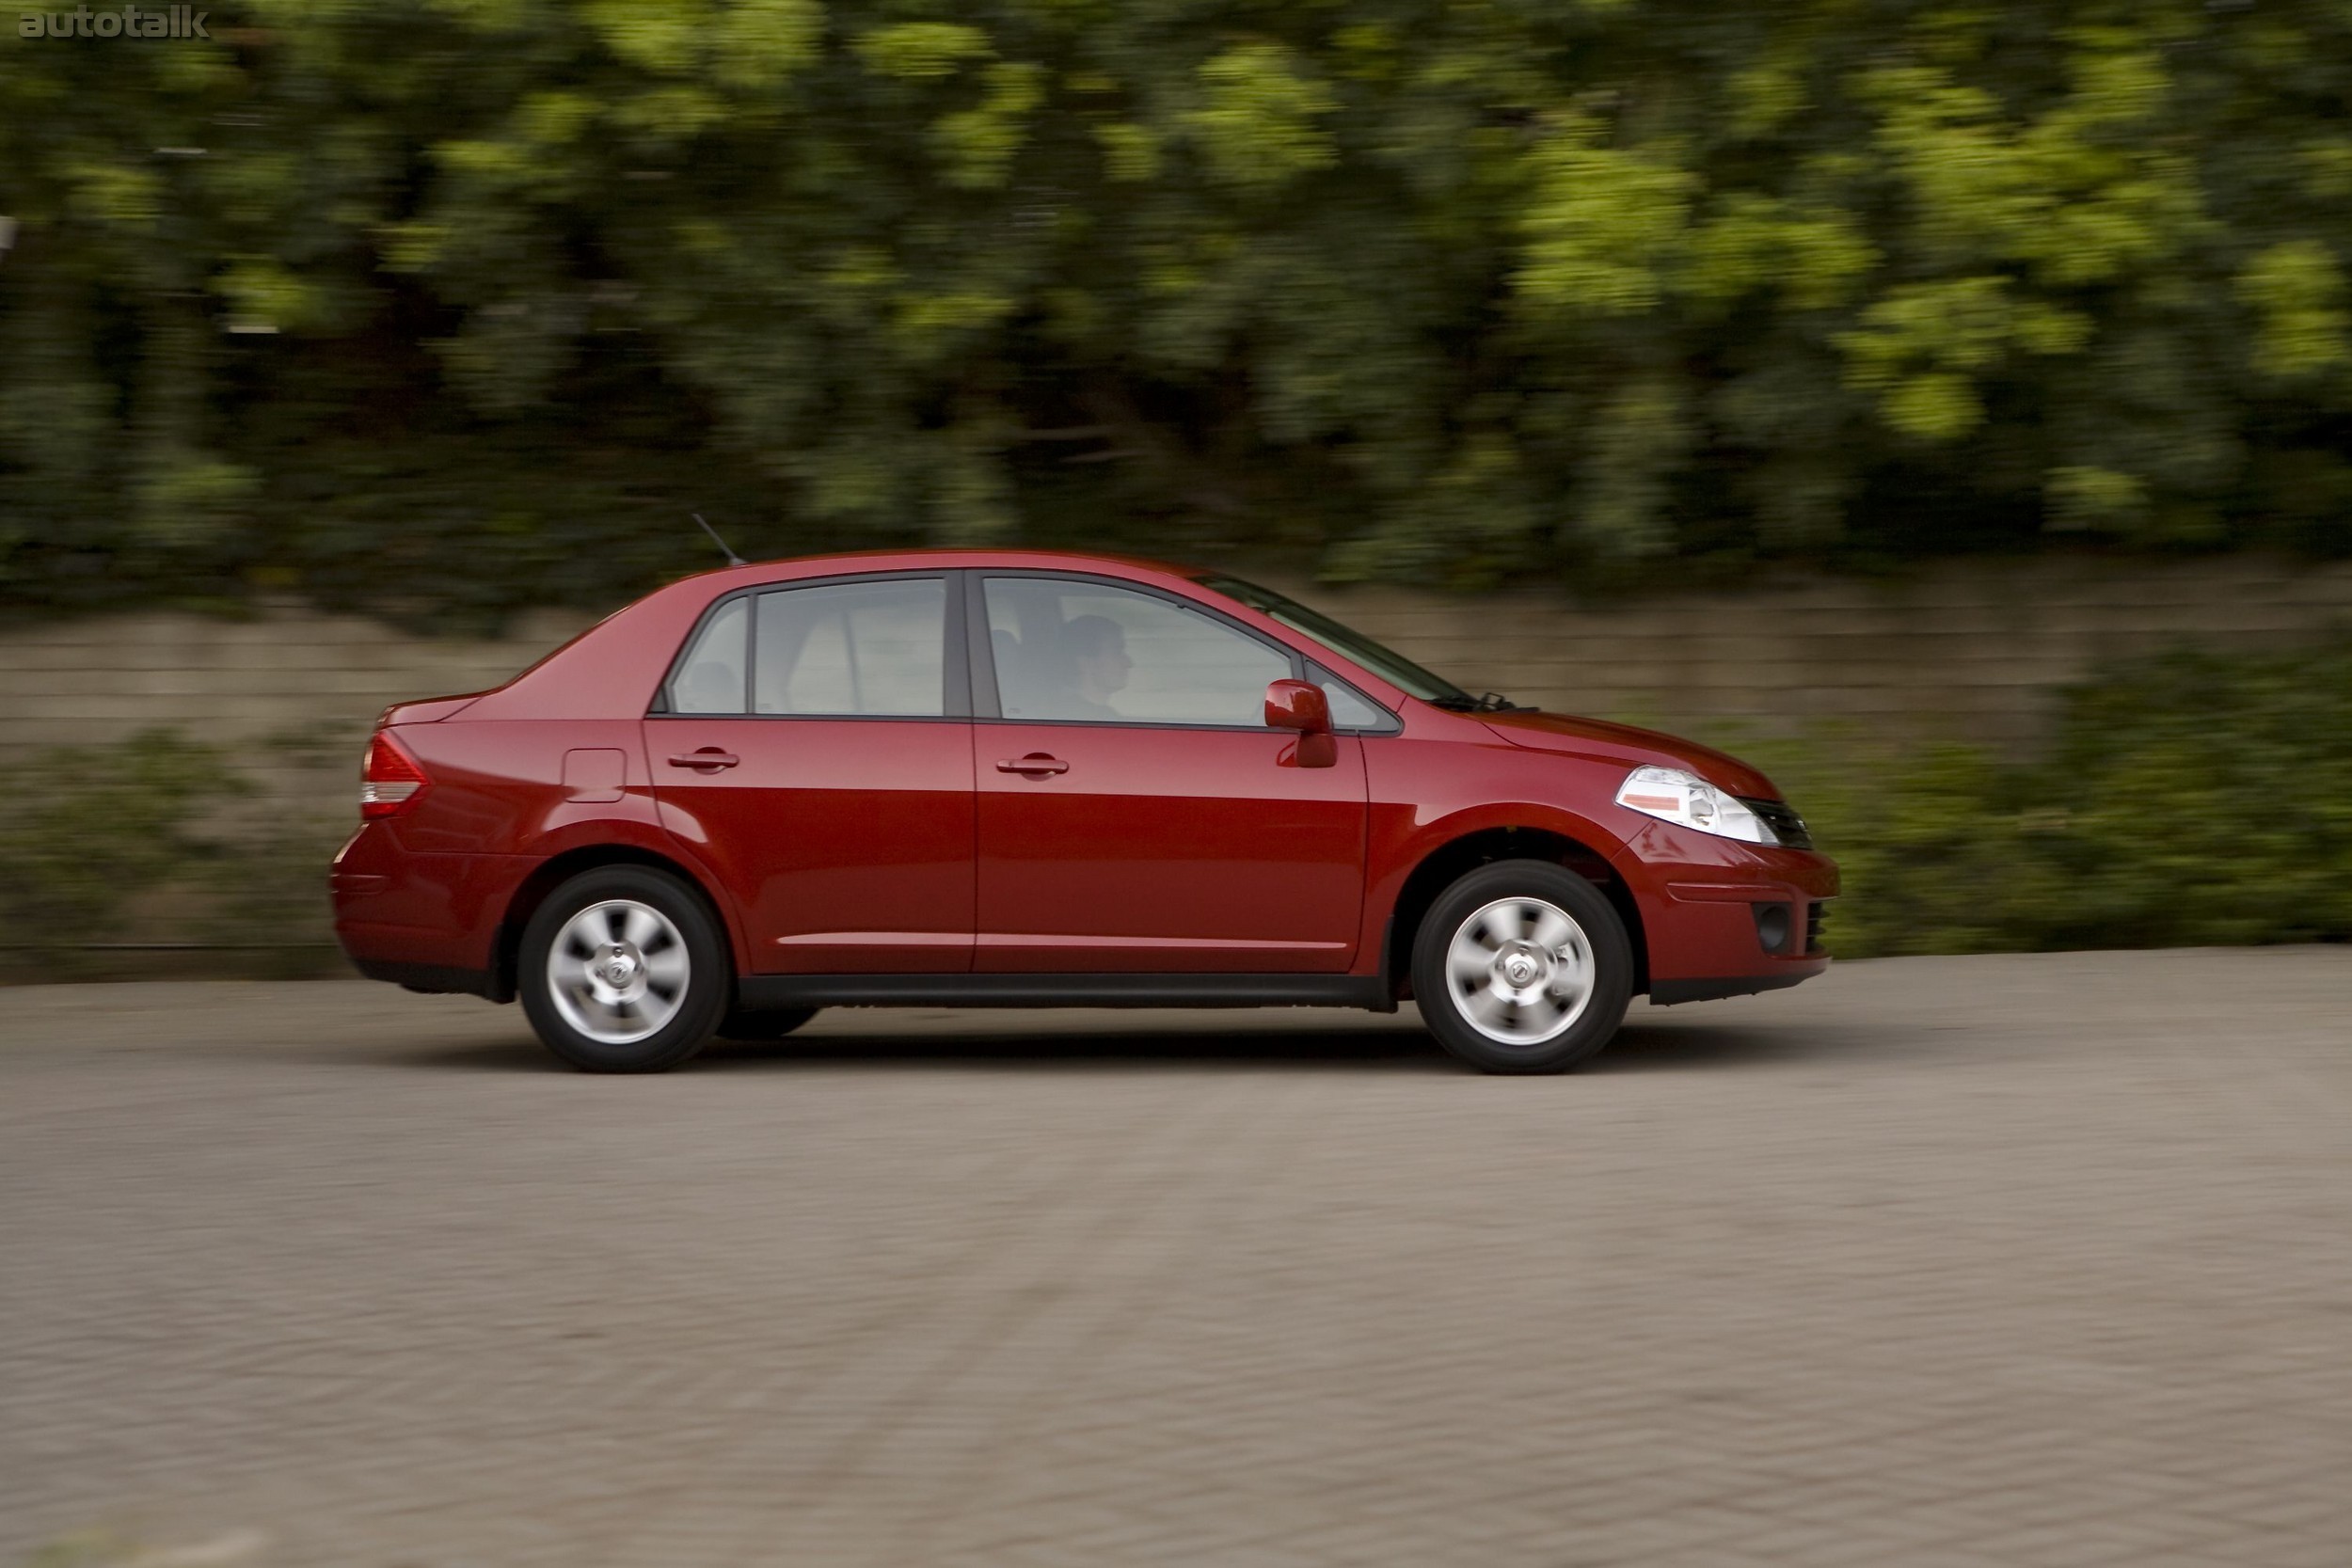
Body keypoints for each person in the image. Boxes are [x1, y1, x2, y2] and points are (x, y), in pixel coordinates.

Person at [1057, 614, 1132, 720]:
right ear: (1085, 663)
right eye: (1116, 652)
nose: (1128, 663)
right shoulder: (1076, 718)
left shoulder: (1101, 716)